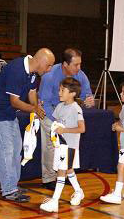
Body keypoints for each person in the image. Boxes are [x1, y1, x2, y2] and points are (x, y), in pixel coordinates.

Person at [0, 48, 55, 202]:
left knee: (17, 148)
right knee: (6, 151)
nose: (49, 69)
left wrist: (37, 107)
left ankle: (12, 185)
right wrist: (34, 108)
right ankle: (8, 190)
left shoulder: (32, 73)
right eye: (49, 66)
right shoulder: (17, 69)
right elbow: (15, 101)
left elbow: (31, 93)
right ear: (41, 61)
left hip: (9, 113)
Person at [38, 48, 94, 190]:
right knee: (51, 145)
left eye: (80, 64)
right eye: (76, 65)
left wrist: (89, 101)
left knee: (68, 145)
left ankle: (64, 175)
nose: (79, 68)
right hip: (50, 113)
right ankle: (49, 177)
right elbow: (44, 102)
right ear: (65, 64)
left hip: (67, 113)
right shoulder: (49, 76)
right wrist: (57, 121)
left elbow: (87, 95)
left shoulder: (81, 75)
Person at [40, 77, 85, 212]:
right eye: (59, 90)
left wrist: (64, 130)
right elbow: (56, 123)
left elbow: (82, 129)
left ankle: (55, 201)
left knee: (61, 171)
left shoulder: (76, 108)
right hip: (60, 145)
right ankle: (78, 191)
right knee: (68, 169)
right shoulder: (59, 106)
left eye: (62, 90)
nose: (59, 92)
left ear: (72, 93)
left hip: (69, 146)